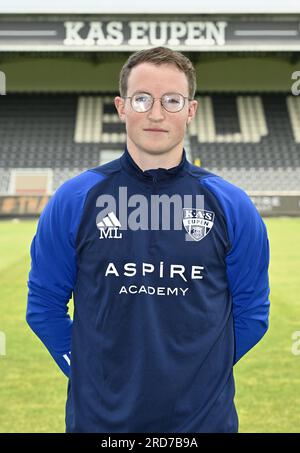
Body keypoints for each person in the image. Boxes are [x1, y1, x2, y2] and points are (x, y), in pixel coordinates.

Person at [26, 46, 270, 433]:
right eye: (143, 99)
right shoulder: (75, 200)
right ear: (122, 107)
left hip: (202, 424)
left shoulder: (231, 205)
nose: (156, 114)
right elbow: (43, 305)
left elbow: (252, 313)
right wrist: (86, 369)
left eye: (172, 100)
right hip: (99, 423)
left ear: (190, 110)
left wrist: (199, 375)